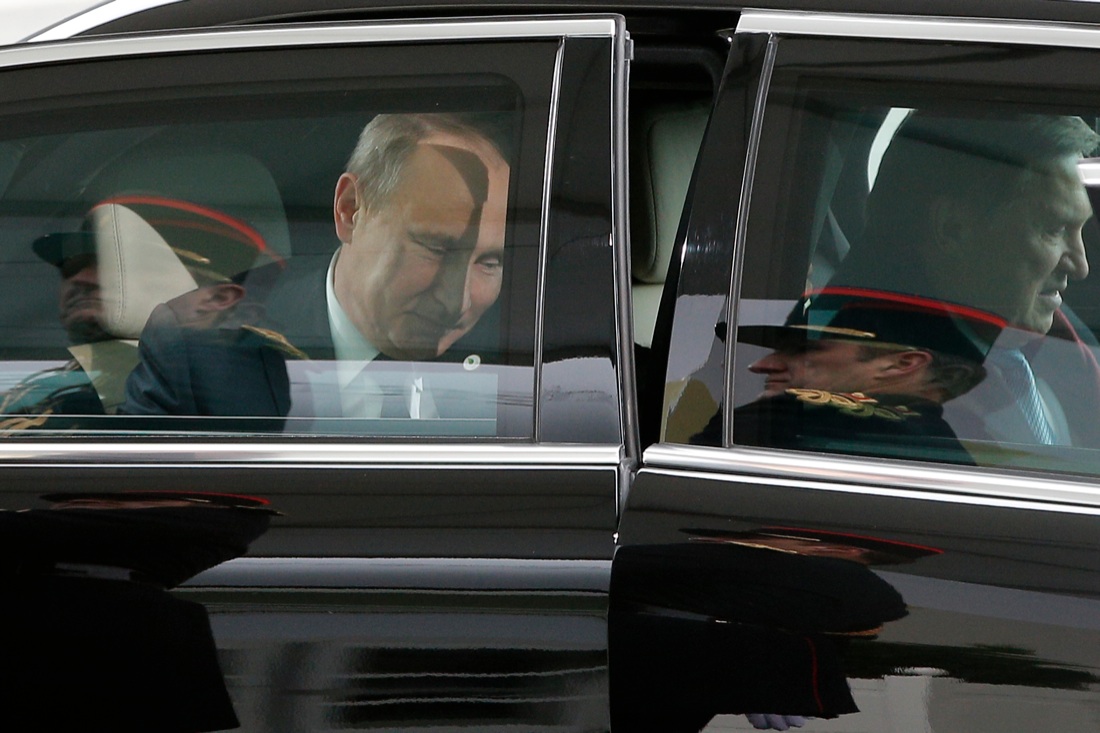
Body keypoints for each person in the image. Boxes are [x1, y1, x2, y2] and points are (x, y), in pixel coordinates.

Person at [834, 112, 1100, 446]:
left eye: (1079, 230)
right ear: (953, 229)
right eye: (1053, 229)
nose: (1081, 266)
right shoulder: (882, 407)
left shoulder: (1030, 329)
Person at [266, 112, 511, 423]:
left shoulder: (517, 360)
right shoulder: (210, 363)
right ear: (350, 210)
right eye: (435, 248)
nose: (457, 303)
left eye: (489, 263)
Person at [699, 288, 1004, 463]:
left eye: (808, 351)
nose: (763, 364)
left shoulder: (777, 426)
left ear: (901, 364)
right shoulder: (959, 456)